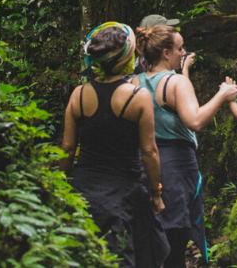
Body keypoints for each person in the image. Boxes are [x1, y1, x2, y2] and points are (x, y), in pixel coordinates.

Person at [60, 22, 168, 267]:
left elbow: (67, 148)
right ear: (126, 59)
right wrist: (156, 193)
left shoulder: (77, 95)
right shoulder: (137, 97)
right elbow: (149, 151)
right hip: (124, 195)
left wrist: (60, 189)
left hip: (83, 192)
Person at [133, 24, 237, 268]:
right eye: (179, 49)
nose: (183, 53)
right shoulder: (176, 83)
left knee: (146, 243)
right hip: (175, 169)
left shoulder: (133, 82)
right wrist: (222, 95)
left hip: (141, 167)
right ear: (166, 53)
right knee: (174, 242)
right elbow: (195, 121)